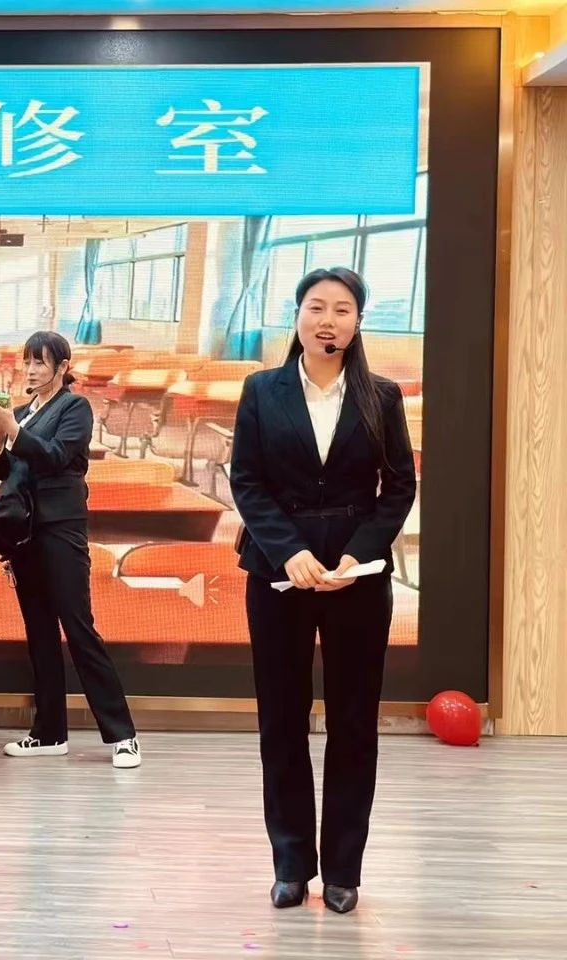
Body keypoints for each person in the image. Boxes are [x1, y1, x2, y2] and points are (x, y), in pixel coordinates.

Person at [229, 267, 416, 914]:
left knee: (353, 722)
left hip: (356, 578)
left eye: (341, 309)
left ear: (358, 322)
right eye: (316, 307)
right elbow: (247, 481)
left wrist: (360, 554)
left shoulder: (381, 396)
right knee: (281, 720)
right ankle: (289, 864)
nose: (327, 320)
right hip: (279, 571)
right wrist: (291, 550)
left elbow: (399, 486)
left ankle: (342, 871)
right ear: (298, 316)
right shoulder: (261, 389)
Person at [0, 331, 140, 769]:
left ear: (62, 367)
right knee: (40, 632)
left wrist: (13, 431)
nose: (31, 370)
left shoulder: (75, 408)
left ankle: (123, 735)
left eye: (40, 362)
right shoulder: (20, 411)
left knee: (79, 627)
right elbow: (3, 470)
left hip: (61, 527)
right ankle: (49, 733)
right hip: (23, 532)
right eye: (27, 362)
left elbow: (54, 456)